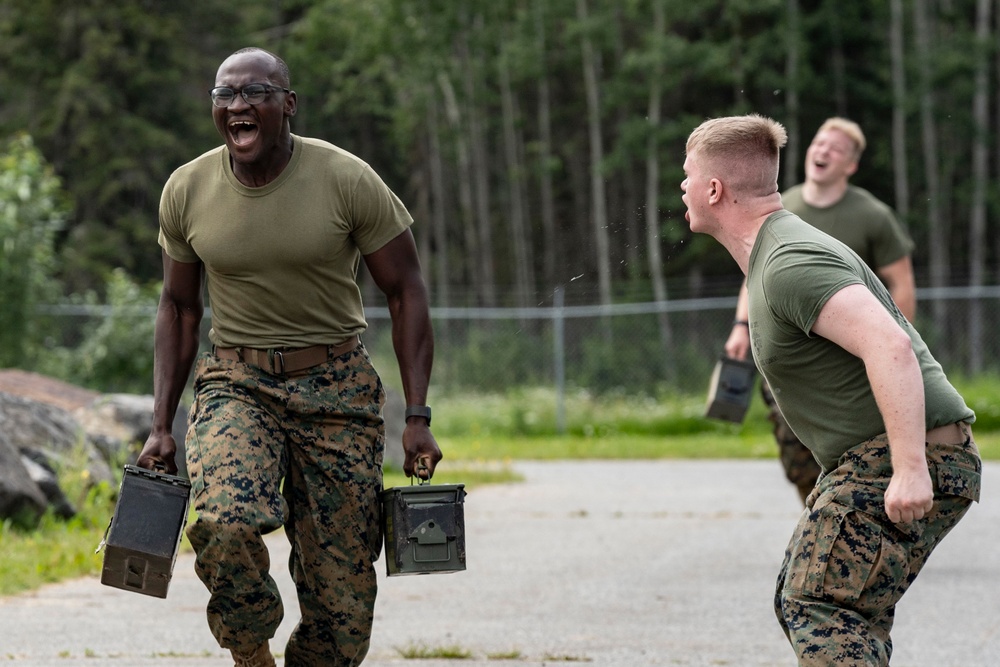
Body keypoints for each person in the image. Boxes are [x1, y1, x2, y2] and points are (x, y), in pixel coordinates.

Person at [136, 47, 443, 667]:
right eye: (225, 95)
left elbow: (405, 290)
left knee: (342, 606)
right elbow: (178, 307)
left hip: (337, 386)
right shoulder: (188, 189)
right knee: (223, 522)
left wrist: (416, 415)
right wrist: (160, 424)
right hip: (236, 382)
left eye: (255, 92)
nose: (239, 105)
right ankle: (251, 652)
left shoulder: (347, 180)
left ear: (288, 105)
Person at [682, 114, 981, 666]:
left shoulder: (790, 262)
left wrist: (911, 466)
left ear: (714, 188)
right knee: (827, 605)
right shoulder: (773, 255)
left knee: (817, 606)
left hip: (907, 456)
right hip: (872, 457)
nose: (683, 186)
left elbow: (889, 346)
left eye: (688, 174)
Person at [724, 117, 917, 504]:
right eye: (819, 142)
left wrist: (895, 345)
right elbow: (755, 272)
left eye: (836, 149)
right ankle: (819, 517)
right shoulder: (781, 204)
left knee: (854, 444)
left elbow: (902, 284)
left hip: (846, 353)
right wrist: (742, 325)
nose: (823, 151)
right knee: (794, 452)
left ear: (851, 165)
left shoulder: (873, 216)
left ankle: (861, 517)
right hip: (789, 349)